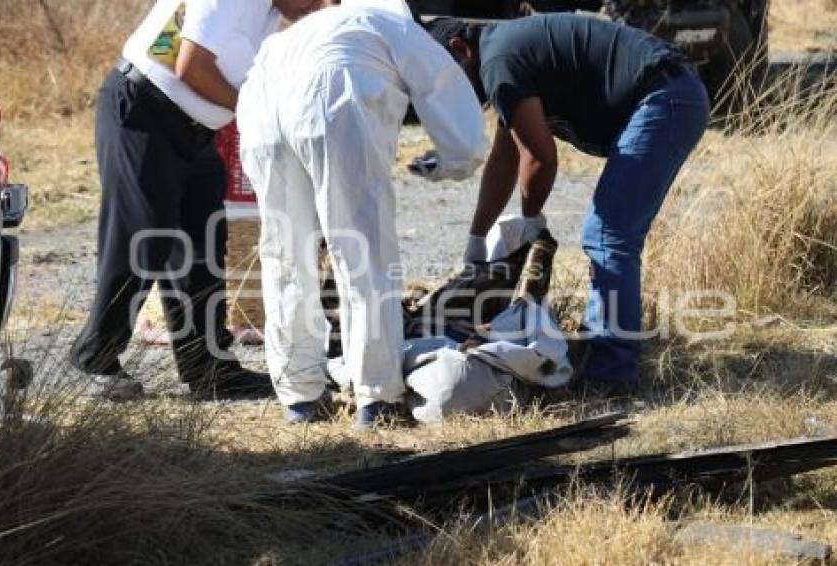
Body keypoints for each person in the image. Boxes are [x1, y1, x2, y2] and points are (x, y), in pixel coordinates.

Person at [427, 14, 710, 395]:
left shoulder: (498, 62)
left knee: (608, 232)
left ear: (460, 51)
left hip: (664, 95)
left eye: (445, 80)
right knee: (608, 231)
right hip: (667, 92)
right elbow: (505, 158)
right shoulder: (498, 57)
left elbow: (540, 157)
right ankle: (599, 351)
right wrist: (476, 238)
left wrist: (531, 221)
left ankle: (610, 374)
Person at [237, 4, 488, 428]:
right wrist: (453, 162)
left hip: (261, 114)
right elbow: (447, 100)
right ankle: (377, 396)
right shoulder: (394, 24)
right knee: (361, 251)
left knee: (285, 256)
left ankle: (299, 397)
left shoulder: (298, 32)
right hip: (330, 98)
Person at [70, 0, 325, 401]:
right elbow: (191, 65)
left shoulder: (274, 16)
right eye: (315, 0)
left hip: (195, 130)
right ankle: (94, 357)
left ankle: (208, 369)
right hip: (144, 110)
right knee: (144, 236)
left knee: (201, 247)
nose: (316, 8)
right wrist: (255, 112)